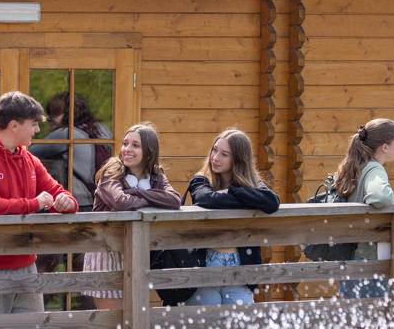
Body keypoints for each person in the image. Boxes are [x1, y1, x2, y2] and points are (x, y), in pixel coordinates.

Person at [0, 91, 79, 315]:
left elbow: (59, 193)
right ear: (14, 126)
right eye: (34, 124)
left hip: (26, 265)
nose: (38, 130)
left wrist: (67, 202)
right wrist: (33, 204)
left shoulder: (30, 160)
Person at [82, 123, 182, 309]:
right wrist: (152, 198)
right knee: (113, 318)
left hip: (137, 252)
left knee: (135, 315)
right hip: (107, 251)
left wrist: (137, 192)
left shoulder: (156, 175)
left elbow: (174, 200)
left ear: (149, 151)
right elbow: (121, 202)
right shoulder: (111, 172)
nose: (127, 149)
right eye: (125, 143)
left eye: (135, 145)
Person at [187, 129, 280, 305]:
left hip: (240, 266)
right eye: (214, 150)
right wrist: (248, 199)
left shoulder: (253, 184)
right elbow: (208, 199)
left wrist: (232, 190)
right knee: (207, 317)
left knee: (243, 318)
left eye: (224, 154)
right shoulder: (201, 180)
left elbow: (272, 202)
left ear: (238, 160)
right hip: (206, 263)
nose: (215, 157)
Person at [332, 118, 394, 299]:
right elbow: (380, 196)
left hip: (349, 256)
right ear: (385, 147)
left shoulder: (355, 166)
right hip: (368, 259)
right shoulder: (374, 169)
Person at [29, 92, 112, 212]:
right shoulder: (101, 128)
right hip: (102, 197)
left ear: (69, 113)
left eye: (55, 113)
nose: (49, 119)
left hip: (76, 198)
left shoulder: (66, 134)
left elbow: (28, 152)